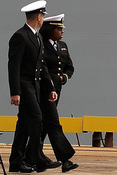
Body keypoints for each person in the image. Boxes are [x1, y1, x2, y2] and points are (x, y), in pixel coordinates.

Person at [8, 0, 58, 173]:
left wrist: (50, 87)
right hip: (24, 86)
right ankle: (36, 158)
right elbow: (13, 66)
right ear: (38, 16)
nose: (43, 18)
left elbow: (41, 65)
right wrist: (15, 92)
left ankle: (16, 161)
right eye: (43, 15)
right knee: (37, 119)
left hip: (34, 86)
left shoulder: (36, 36)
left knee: (23, 123)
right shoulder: (20, 36)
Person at [37, 14, 78, 172]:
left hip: (56, 90)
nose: (62, 31)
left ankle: (32, 155)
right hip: (43, 90)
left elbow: (70, 67)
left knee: (44, 125)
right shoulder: (40, 44)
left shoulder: (63, 46)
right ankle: (65, 159)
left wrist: (64, 78)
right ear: (49, 30)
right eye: (58, 28)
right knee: (52, 123)